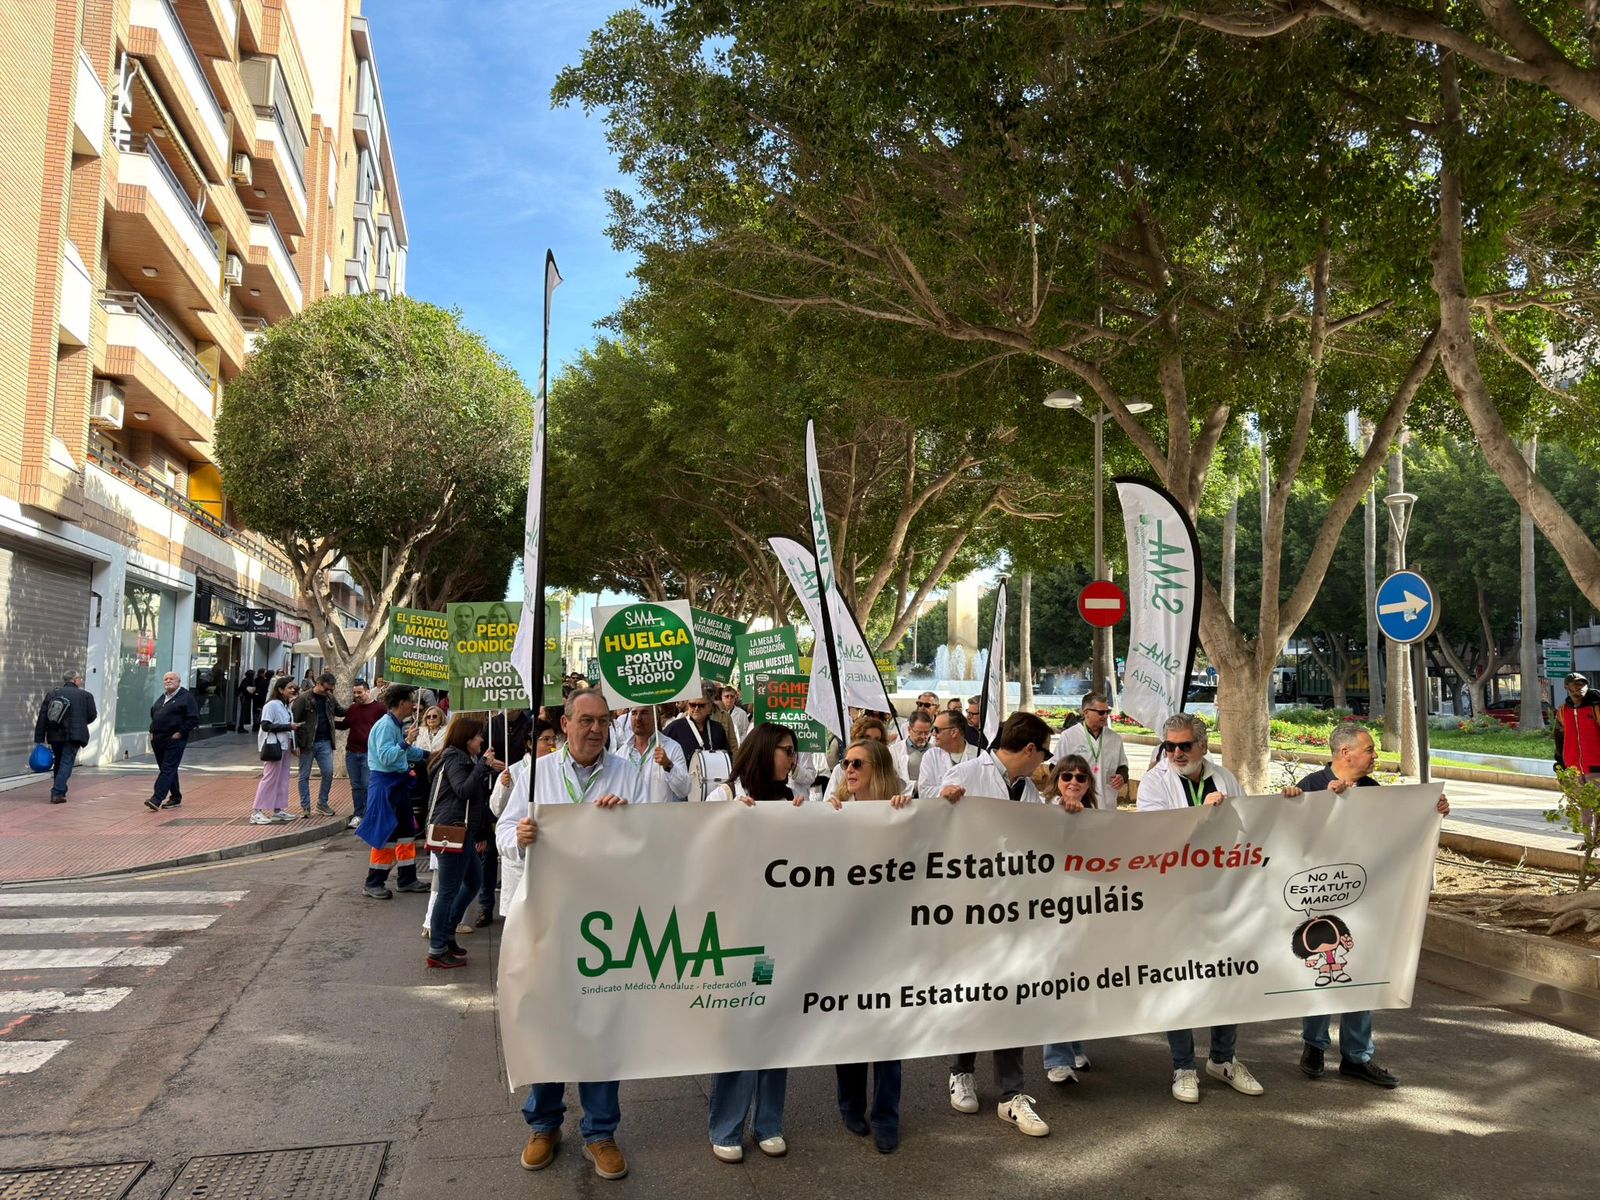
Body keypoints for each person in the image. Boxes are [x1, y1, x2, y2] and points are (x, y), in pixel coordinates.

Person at [497, 688, 642, 1180]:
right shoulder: (533, 772)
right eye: (586, 720)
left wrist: (628, 823)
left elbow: (652, 838)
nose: (596, 729)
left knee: (601, 1023)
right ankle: (543, 1125)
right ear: (565, 723)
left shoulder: (627, 772)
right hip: (546, 920)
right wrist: (519, 839)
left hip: (604, 923)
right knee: (546, 1023)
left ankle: (600, 1133)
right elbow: (502, 831)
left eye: (603, 721)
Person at [1282, 723, 1450, 1088]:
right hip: (1321, 902)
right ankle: (1314, 1045)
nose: (1375, 755)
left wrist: (1431, 810)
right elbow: (1289, 836)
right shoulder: (1310, 786)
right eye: (1370, 749)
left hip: (1365, 902)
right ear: (1346, 753)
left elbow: (1402, 829)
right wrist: (1298, 804)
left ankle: (1357, 1057)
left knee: (1360, 974)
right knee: (1320, 976)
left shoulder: (1375, 792)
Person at [938, 712, 1055, 1138]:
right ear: (1029, 750)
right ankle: (961, 1070)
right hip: (968, 910)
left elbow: (1043, 837)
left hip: (1014, 910)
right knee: (969, 992)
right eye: (1043, 753)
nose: (1043, 762)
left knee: (1011, 997)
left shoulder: (1028, 791)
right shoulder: (966, 773)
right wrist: (942, 803)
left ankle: (1011, 1094)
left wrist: (1071, 816)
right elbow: (925, 826)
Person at [1136, 713, 1260, 1104]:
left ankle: (1223, 1059)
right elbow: (1157, 838)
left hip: (1221, 893)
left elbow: (1249, 828)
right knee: (1180, 979)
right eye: (1169, 745)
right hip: (1175, 897)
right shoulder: (1155, 782)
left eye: (1184, 745)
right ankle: (1184, 1066)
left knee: (1227, 974)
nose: (1175, 752)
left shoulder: (1225, 778)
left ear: (1203, 746)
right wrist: (1203, 814)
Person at [704, 723, 801, 1162]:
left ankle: (769, 1123)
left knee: (773, 1024)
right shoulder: (724, 798)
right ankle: (727, 1125)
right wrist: (727, 827)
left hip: (777, 935)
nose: (792, 759)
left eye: (794, 751)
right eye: (786, 750)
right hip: (736, 937)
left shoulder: (794, 800)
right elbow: (699, 858)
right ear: (764, 752)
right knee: (740, 1027)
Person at [824, 736, 911, 1153]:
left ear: (878, 767)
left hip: (891, 942)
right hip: (846, 941)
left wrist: (942, 801)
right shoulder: (833, 812)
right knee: (851, 1027)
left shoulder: (905, 811)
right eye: (845, 763)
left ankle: (886, 1116)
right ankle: (851, 1106)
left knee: (889, 1035)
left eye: (857, 762)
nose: (849, 770)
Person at [423, 716, 502, 969]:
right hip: (451, 832)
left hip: (464, 832)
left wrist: (484, 768)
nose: (481, 740)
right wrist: (482, 766)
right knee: (448, 891)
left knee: (473, 881)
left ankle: (447, 934)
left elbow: (472, 800)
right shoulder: (455, 758)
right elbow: (463, 790)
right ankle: (437, 948)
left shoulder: (463, 758)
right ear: (467, 739)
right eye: (478, 736)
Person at [1042, 755, 1100, 1081]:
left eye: (1081, 777)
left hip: (1087, 911)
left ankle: (1074, 1047)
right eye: (1066, 776)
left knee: (1080, 979)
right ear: (1056, 780)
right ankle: (1056, 1059)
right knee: (1058, 981)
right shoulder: (1039, 813)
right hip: (1050, 913)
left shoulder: (1101, 820)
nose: (1074, 782)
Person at [356, 685, 430, 899]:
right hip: (385, 785)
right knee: (385, 834)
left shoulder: (396, 725)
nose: (413, 705)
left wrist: (428, 754)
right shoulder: (387, 726)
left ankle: (407, 878)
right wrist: (407, 742)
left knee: (406, 833)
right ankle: (373, 882)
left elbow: (403, 754)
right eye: (410, 701)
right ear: (402, 703)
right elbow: (388, 757)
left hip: (397, 783)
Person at [33, 670, 98, 804]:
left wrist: (39, 738)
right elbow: (92, 715)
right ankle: (57, 793)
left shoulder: (53, 694)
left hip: (55, 734)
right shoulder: (85, 695)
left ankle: (61, 790)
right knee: (66, 763)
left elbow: (43, 717)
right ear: (75, 680)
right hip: (75, 735)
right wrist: (80, 722)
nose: (80, 680)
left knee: (59, 761)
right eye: (79, 678)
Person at [1053, 692, 1128, 805]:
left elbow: (1123, 766)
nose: (1105, 716)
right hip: (1078, 803)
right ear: (1086, 712)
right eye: (1101, 712)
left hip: (1106, 803)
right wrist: (1064, 796)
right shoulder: (1069, 736)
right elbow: (1054, 768)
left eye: (1107, 712)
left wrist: (1121, 777)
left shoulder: (1115, 739)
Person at [291, 672, 347, 818]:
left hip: (325, 742)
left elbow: (340, 711)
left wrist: (356, 707)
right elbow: (294, 722)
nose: (328, 692)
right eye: (326, 689)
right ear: (318, 684)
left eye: (331, 690)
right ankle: (305, 806)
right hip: (307, 743)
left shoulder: (329, 698)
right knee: (304, 775)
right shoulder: (303, 699)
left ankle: (322, 803)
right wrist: (295, 744)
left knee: (328, 772)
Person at [1555, 672, 1600, 841]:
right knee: (1584, 807)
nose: (1578, 688)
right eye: (1574, 685)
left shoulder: (1596, 706)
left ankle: (1597, 841)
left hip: (1596, 764)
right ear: (1567, 688)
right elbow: (1559, 738)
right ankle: (1588, 842)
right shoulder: (1563, 711)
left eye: (1582, 684)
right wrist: (1560, 763)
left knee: (1598, 806)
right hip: (1575, 767)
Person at [146, 671, 199, 811]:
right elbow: (154, 714)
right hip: (158, 739)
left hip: (174, 739)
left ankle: (156, 799)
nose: (168, 681)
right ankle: (175, 797)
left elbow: (193, 718)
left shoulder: (186, 697)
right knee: (167, 769)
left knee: (168, 768)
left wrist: (180, 732)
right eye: (165, 679)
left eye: (171, 679)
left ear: (178, 682)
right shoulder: (163, 697)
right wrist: (152, 731)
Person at [251, 677, 300, 825]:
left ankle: (278, 809)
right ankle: (257, 811)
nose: (293, 690)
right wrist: (289, 727)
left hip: (284, 746)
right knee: (270, 778)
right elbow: (266, 725)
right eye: (289, 687)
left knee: (283, 778)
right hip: (274, 746)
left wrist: (293, 746)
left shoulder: (285, 706)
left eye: (293, 688)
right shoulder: (272, 705)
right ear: (280, 689)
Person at [621, 705, 690, 803]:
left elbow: (684, 790)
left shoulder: (672, 748)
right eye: (634, 713)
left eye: (644, 713)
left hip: (660, 817)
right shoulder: (621, 753)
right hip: (629, 817)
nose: (638, 718)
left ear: (656, 716)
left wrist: (668, 766)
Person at [343, 679, 386, 829]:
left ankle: (369, 815)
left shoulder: (380, 709)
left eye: (359, 692)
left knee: (368, 785)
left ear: (368, 691)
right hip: (352, 752)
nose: (357, 695)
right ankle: (358, 815)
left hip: (370, 754)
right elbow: (344, 725)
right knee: (356, 785)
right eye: (354, 693)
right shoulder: (353, 708)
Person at [916, 708, 977, 799]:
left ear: (954, 732)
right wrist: (942, 791)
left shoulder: (979, 756)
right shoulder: (931, 756)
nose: (933, 734)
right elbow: (923, 791)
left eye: (937, 730)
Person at [889, 708, 934, 795]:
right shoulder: (894, 750)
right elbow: (892, 779)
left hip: (930, 799)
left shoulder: (935, 750)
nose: (923, 736)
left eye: (926, 733)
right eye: (919, 733)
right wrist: (915, 786)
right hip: (905, 799)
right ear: (909, 730)